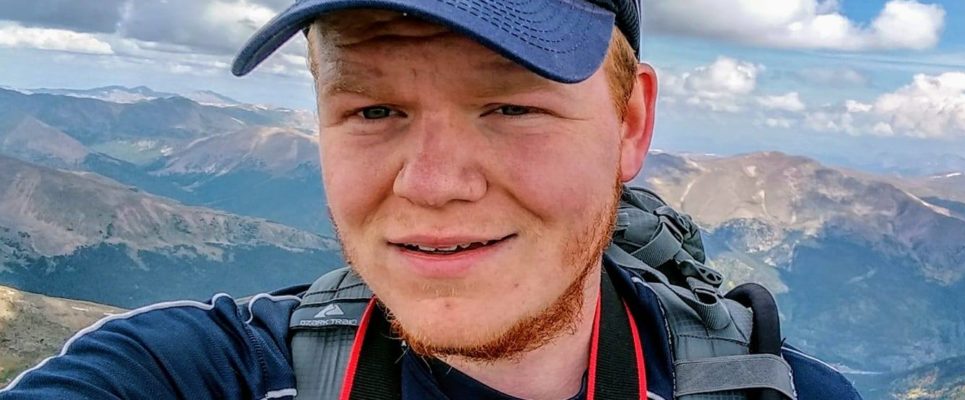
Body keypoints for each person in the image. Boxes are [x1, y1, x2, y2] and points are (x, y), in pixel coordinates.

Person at [0, 1, 862, 399]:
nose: (433, 183)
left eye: (511, 105)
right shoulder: (191, 375)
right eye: (374, 109)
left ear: (630, 124)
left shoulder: (776, 396)